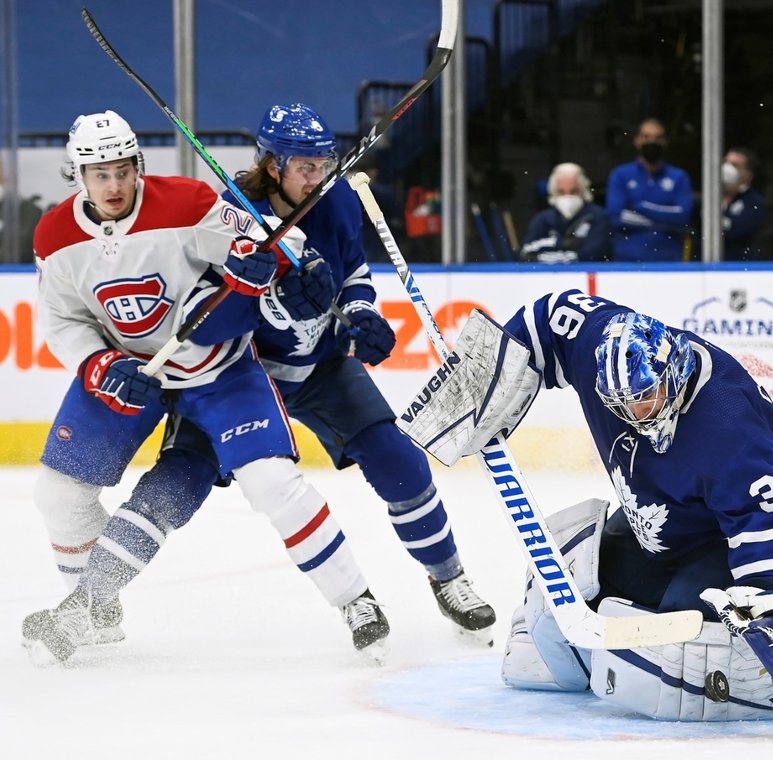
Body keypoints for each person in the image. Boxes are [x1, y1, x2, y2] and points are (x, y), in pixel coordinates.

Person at [24, 104, 496, 663]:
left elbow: (348, 273)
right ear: (273, 166)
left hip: (304, 368)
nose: (316, 174)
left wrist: (360, 313)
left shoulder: (332, 200)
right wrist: (257, 291)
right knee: (164, 490)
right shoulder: (225, 209)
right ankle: (89, 604)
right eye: (303, 164)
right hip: (232, 369)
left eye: (323, 162)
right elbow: (215, 315)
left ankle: (442, 580)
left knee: (395, 461)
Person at [396, 289, 773, 722]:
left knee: (685, 635)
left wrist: (765, 610)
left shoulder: (727, 427)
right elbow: (547, 318)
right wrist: (484, 377)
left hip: (755, 534)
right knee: (570, 581)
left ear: (672, 371)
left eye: (648, 399)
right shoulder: (600, 346)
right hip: (670, 518)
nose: (638, 414)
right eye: (623, 406)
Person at [606, 118, 694, 262]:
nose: (652, 142)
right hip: (627, 259)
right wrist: (663, 222)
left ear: (665, 142)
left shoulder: (679, 177)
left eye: (658, 138)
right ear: (637, 141)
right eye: (646, 137)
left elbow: (683, 217)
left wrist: (641, 207)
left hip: (670, 259)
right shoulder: (621, 175)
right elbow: (615, 217)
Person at [518, 162, 611, 263]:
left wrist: (546, 255)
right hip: (547, 277)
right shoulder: (543, 219)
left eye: (573, 191)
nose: (568, 197)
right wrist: (562, 243)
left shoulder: (598, 216)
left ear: (583, 191)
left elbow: (591, 254)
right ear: (553, 193)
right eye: (561, 192)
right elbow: (526, 253)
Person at [721, 146, 767, 261]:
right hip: (707, 267)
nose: (727, 168)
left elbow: (736, 233)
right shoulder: (710, 199)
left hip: (742, 269)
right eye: (726, 162)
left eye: (735, 165)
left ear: (748, 175)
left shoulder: (755, 202)